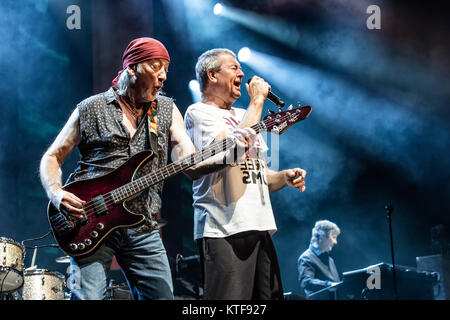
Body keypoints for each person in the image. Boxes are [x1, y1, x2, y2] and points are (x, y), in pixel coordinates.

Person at [39, 38, 253, 300]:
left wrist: (229, 156)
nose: (162, 76)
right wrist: (56, 193)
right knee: (88, 297)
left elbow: (191, 165)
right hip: (89, 219)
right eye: (155, 67)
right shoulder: (91, 108)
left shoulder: (165, 109)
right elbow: (53, 156)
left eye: (166, 68)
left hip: (143, 225)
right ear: (132, 68)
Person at [184, 48, 307, 300]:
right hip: (223, 228)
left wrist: (283, 177)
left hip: (259, 225)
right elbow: (232, 147)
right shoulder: (198, 113)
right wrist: (258, 101)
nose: (242, 73)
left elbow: (256, 173)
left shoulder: (244, 115)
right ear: (212, 75)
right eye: (234, 67)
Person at [297, 220, 341, 298]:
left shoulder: (330, 260)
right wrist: (329, 285)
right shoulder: (306, 257)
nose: (335, 242)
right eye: (333, 237)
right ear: (322, 236)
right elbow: (306, 282)